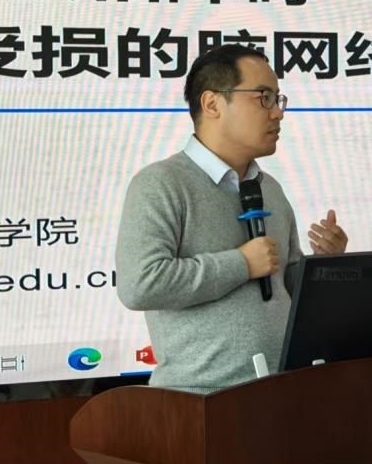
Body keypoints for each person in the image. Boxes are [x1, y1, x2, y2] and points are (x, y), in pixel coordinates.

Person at [115, 44, 348, 392]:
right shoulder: (161, 183)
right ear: (212, 104)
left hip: (283, 390)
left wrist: (326, 266)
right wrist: (240, 263)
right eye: (264, 98)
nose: (278, 113)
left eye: (278, 99)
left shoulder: (269, 188)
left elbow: (286, 286)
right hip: (201, 399)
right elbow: (140, 285)